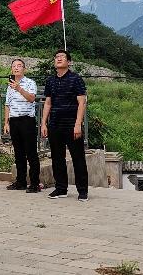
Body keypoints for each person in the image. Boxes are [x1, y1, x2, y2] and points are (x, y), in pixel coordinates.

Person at [40, 49, 89, 201]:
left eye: (62, 57)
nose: (59, 58)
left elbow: (82, 102)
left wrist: (78, 124)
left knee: (78, 158)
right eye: (56, 57)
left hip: (71, 125)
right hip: (55, 124)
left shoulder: (76, 79)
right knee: (57, 158)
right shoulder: (50, 80)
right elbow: (48, 103)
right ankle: (61, 189)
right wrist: (43, 123)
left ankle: (82, 191)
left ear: (68, 62)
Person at [3, 58, 40, 193]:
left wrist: (19, 88)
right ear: (12, 69)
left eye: (19, 66)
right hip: (14, 120)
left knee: (31, 153)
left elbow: (31, 98)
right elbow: (7, 104)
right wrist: (6, 122)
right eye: (14, 66)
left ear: (24, 69)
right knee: (18, 153)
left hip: (27, 120)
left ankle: (35, 183)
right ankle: (21, 182)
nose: (16, 68)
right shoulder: (10, 85)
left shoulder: (30, 83)